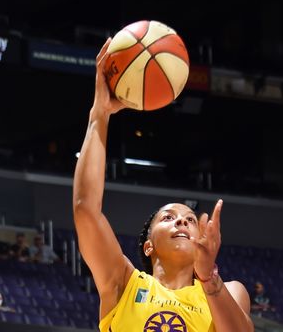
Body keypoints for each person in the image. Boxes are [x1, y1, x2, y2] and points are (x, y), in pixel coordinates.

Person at [73, 40, 253, 332]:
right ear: (148, 246)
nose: (181, 220)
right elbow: (85, 211)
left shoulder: (229, 291)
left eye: (190, 220)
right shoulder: (123, 283)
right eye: (168, 217)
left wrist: (208, 279)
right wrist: (100, 115)